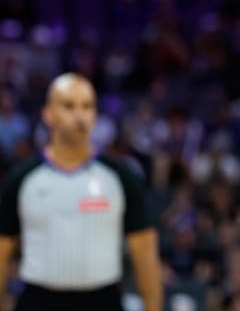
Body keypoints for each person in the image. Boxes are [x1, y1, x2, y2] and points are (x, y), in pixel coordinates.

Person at [0, 73, 163, 311]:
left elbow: (146, 256)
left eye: (87, 106)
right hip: (37, 300)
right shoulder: (22, 179)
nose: (79, 115)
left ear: (95, 115)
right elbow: (2, 254)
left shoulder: (121, 178)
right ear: (48, 114)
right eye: (68, 106)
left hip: (102, 300)